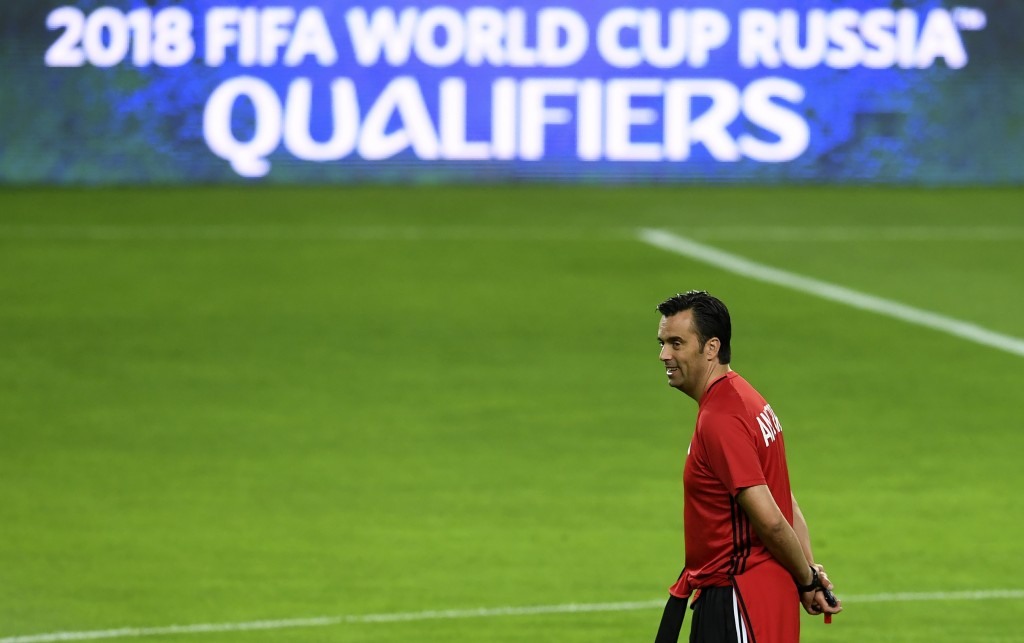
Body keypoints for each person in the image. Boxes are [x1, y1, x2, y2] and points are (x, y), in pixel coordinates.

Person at [652, 290, 841, 643]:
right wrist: (809, 570)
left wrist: (807, 578)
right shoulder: (747, 399)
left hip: (739, 598)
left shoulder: (721, 417)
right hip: (764, 593)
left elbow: (771, 519)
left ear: (711, 348)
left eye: (677, 343)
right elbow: (784, 497)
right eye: (662, 343)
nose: (664, 355)